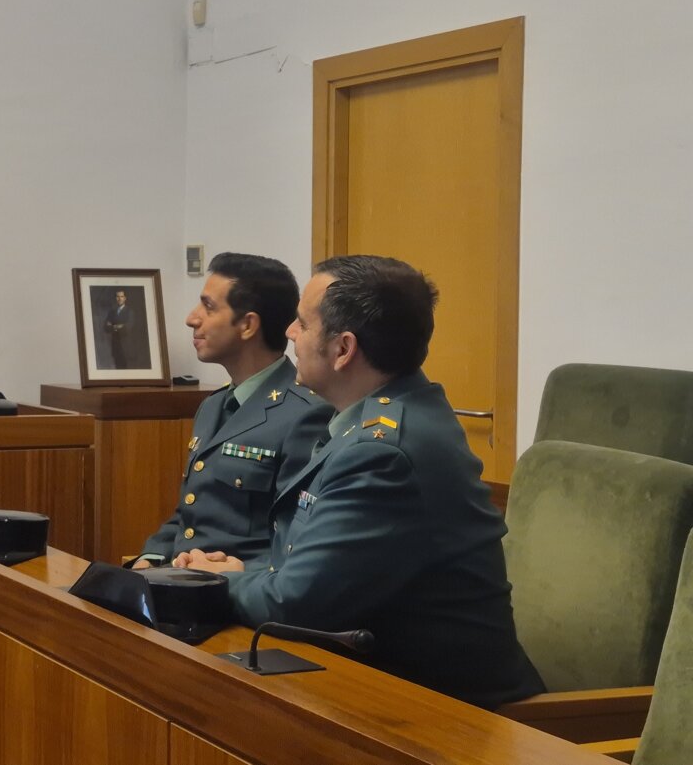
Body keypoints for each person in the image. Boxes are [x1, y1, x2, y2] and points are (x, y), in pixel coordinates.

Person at [180, 255, 543, 708]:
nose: (289, 333)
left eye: (302, 324)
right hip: (381, 684)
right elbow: (311, 569)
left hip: (452, 715)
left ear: (343, 349)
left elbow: (295, 603)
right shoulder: (377, 418)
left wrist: (210, 580)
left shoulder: (382, 453)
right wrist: (241, 573)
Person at [131, 253, 331, 569]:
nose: (192, 318)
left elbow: (294, 541)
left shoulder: (305, 414)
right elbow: (189, 516)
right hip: (184, 579)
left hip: (240, 588)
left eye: (208, 307)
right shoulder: (213, 406)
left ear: (248, 325)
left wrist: (231, 573)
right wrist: (151, 557)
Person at [103, 290, 135, 368]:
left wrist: (113, 326)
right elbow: (106, 328)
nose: (119, 299)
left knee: (126, 369)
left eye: (121, 296)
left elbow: (128, 327)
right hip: (115, 346)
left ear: (125, 298)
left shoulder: (129, 311)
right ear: (115, 298)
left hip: (126, 347)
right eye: (117, 297)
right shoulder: (112, 312)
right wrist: (117, 326)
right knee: (118, 367)